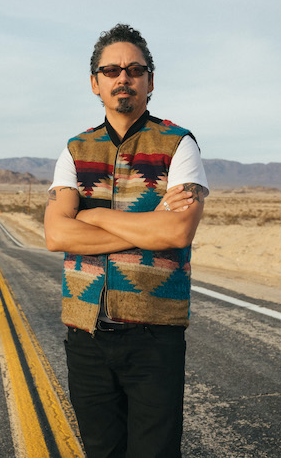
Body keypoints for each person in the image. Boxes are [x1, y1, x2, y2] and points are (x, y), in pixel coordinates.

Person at [44, 23, 209, 457]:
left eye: (135, 69)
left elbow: (175, 231)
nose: (123, 78)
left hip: (155, 335)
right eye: (112, 70)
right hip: (87, 335)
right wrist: (143, 228)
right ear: (94, 83)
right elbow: (56, 233)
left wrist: (94, 214)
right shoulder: (75, 150)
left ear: (150, 81)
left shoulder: (179, 145)